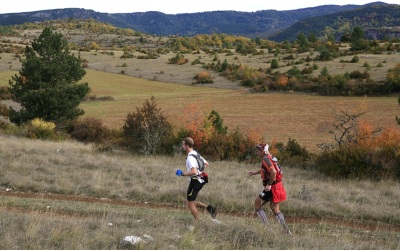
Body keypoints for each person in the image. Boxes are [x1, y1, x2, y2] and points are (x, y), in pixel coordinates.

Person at [248, 143, 291, 235]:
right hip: (278, 186)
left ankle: (268, 229)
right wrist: (255, 172)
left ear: (263, 151)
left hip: (272, 187)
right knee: (275, 209)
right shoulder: (271, 157)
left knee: (257, 203)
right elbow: (267, 170)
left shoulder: (265, 159)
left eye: (259, 150)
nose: (257, 152)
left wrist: (269, 185)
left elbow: (273, 172)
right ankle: (286, 231)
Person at [176, 137, 217, 221]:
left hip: (195, 181)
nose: (182, 146)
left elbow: (193, 171)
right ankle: (210, 208)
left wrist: (182, 174)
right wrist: (199, 171)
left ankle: (198, 222)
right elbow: (206, 163)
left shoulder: (190, 158)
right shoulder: (195, 153)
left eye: (183, 144)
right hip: (201, 179)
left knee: (190, 203)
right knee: (191, 202)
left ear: (187, 146)